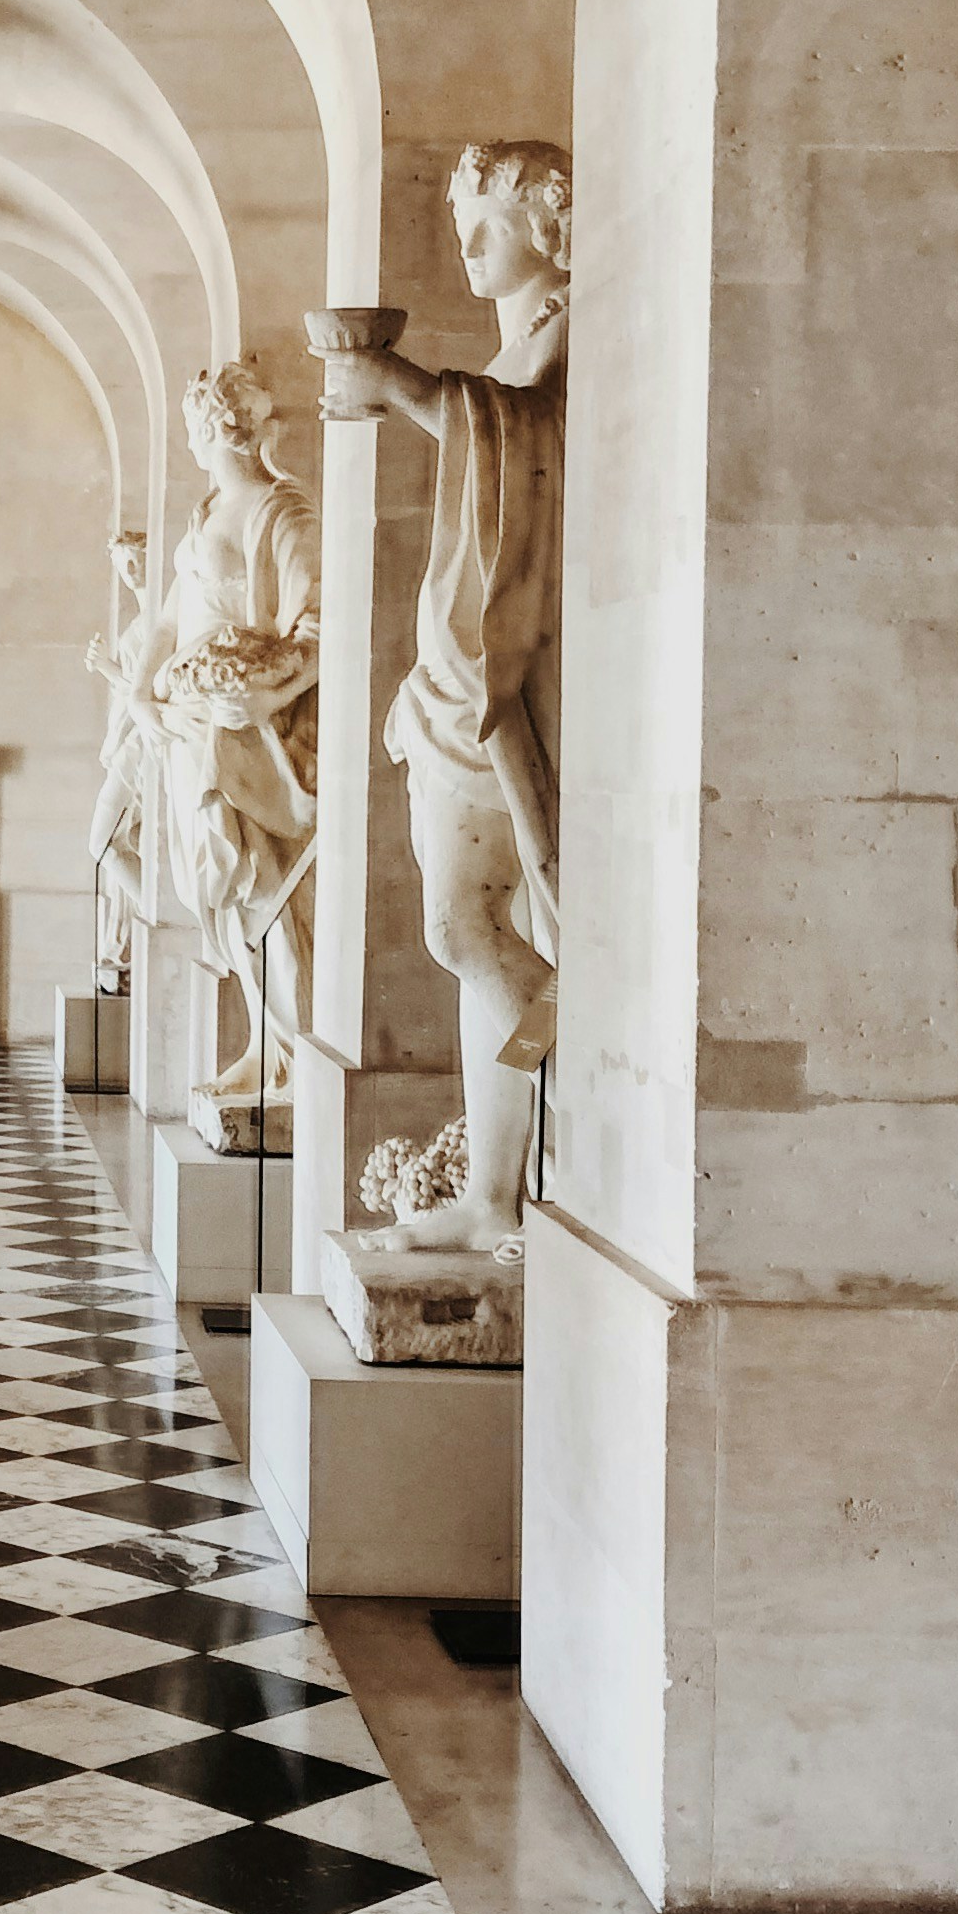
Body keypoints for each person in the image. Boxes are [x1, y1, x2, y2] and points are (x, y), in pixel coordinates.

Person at [320, 141, 568, 1254]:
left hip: (515, 679)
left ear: (547, 225)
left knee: (474, 927)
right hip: (466, 679)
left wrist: (415, 390)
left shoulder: (573, 330)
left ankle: (504, 1187)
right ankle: (497, 1184)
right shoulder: (530, 339)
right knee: (465, 927)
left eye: (486, 222)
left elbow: (541, 451)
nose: (466, 244)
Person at [154, 362, 317, 1106]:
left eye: (196, 422)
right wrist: (154, 691)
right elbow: (175, 620)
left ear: (215, 428)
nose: (192, 436)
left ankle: (289, 1061)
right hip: (197, 729)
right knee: (221, 900)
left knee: (267, 897)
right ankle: (260, 1044)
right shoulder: (208, 511)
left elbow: (320, 623)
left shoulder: (282, 512)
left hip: (258, 735)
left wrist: (264, 698)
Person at [83, 526, 157, 987]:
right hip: (128, 745)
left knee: (104, 843)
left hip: (141, 749)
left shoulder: (160, 620)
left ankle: (160, 913)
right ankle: (124, 947)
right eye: (122, 563)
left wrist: (111, 670)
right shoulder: (142, 623)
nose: (128, 571)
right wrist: (109, 671)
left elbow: (155, 692)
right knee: (116, 847)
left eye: (134, 559)